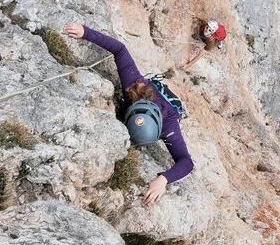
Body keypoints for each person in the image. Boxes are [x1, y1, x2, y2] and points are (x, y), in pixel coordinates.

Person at [64, 22, 193, 204]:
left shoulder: (169, 125)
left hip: (170, 106)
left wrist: (163, 179)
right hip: (146, 95)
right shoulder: (134, 85)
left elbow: (186, 162)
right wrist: (85, 32)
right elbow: (120, 49)